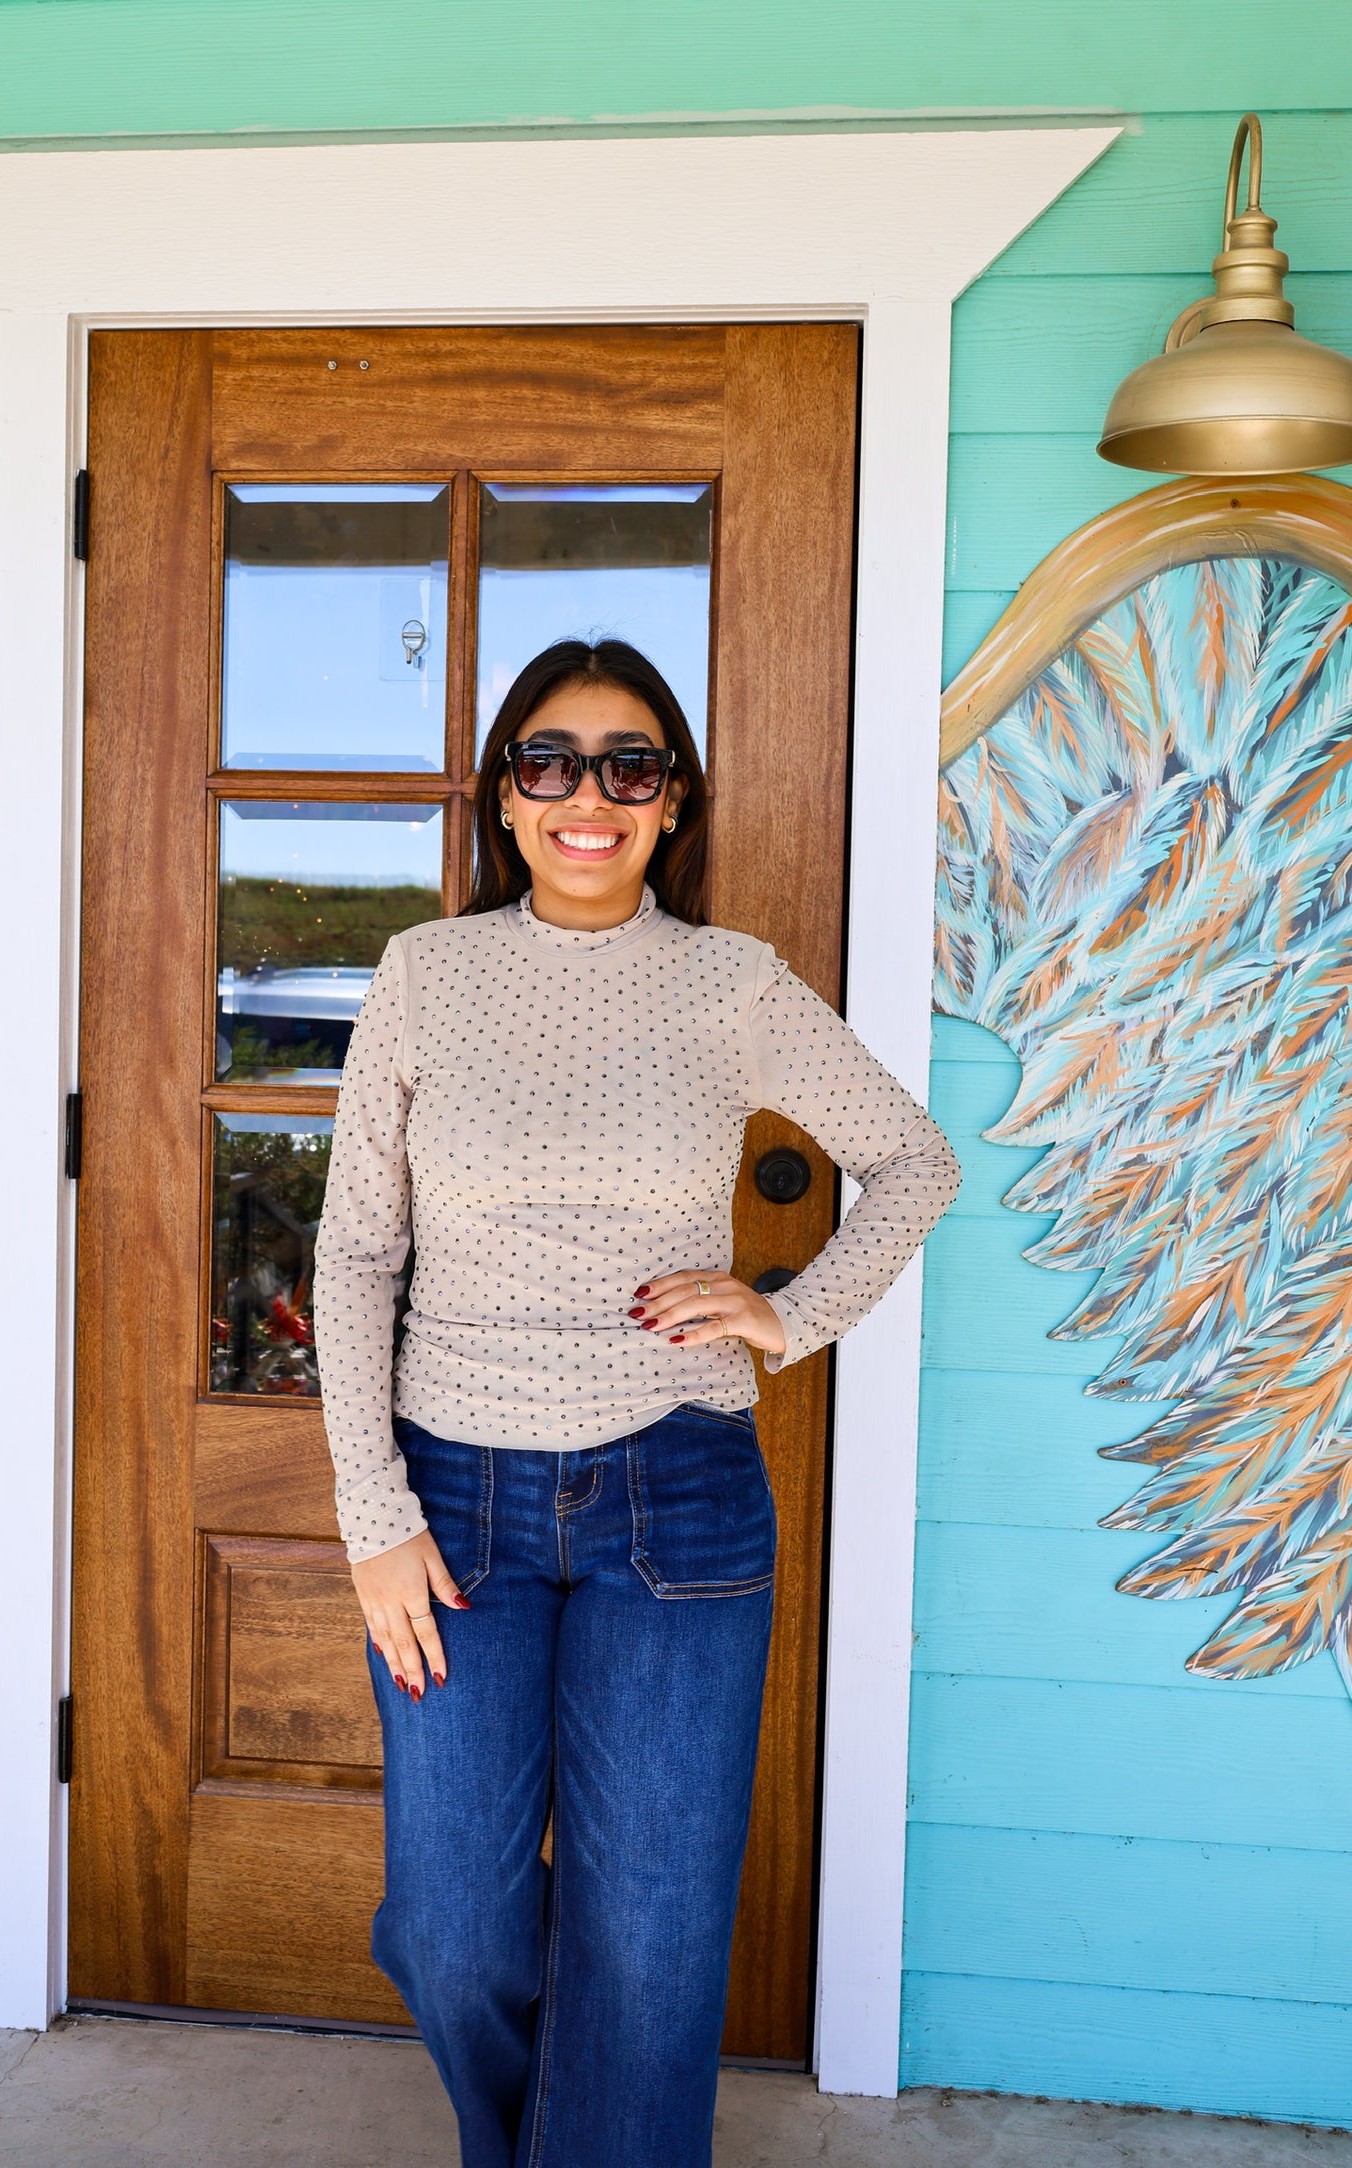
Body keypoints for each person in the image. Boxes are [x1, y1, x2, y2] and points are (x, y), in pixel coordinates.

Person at [314, 637, 959, 2168]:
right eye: (546, 762)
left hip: (677, 1495)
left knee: (652, 1941)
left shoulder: (731, 983)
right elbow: (353, 1250)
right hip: (449, 1503)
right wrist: (370, 1514)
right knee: (455, 1928)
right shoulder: (426, 972)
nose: (585, 795)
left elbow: (916, 1164)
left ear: (673, 802)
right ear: (503, 799)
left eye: (629, 765)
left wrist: (784, 1316)